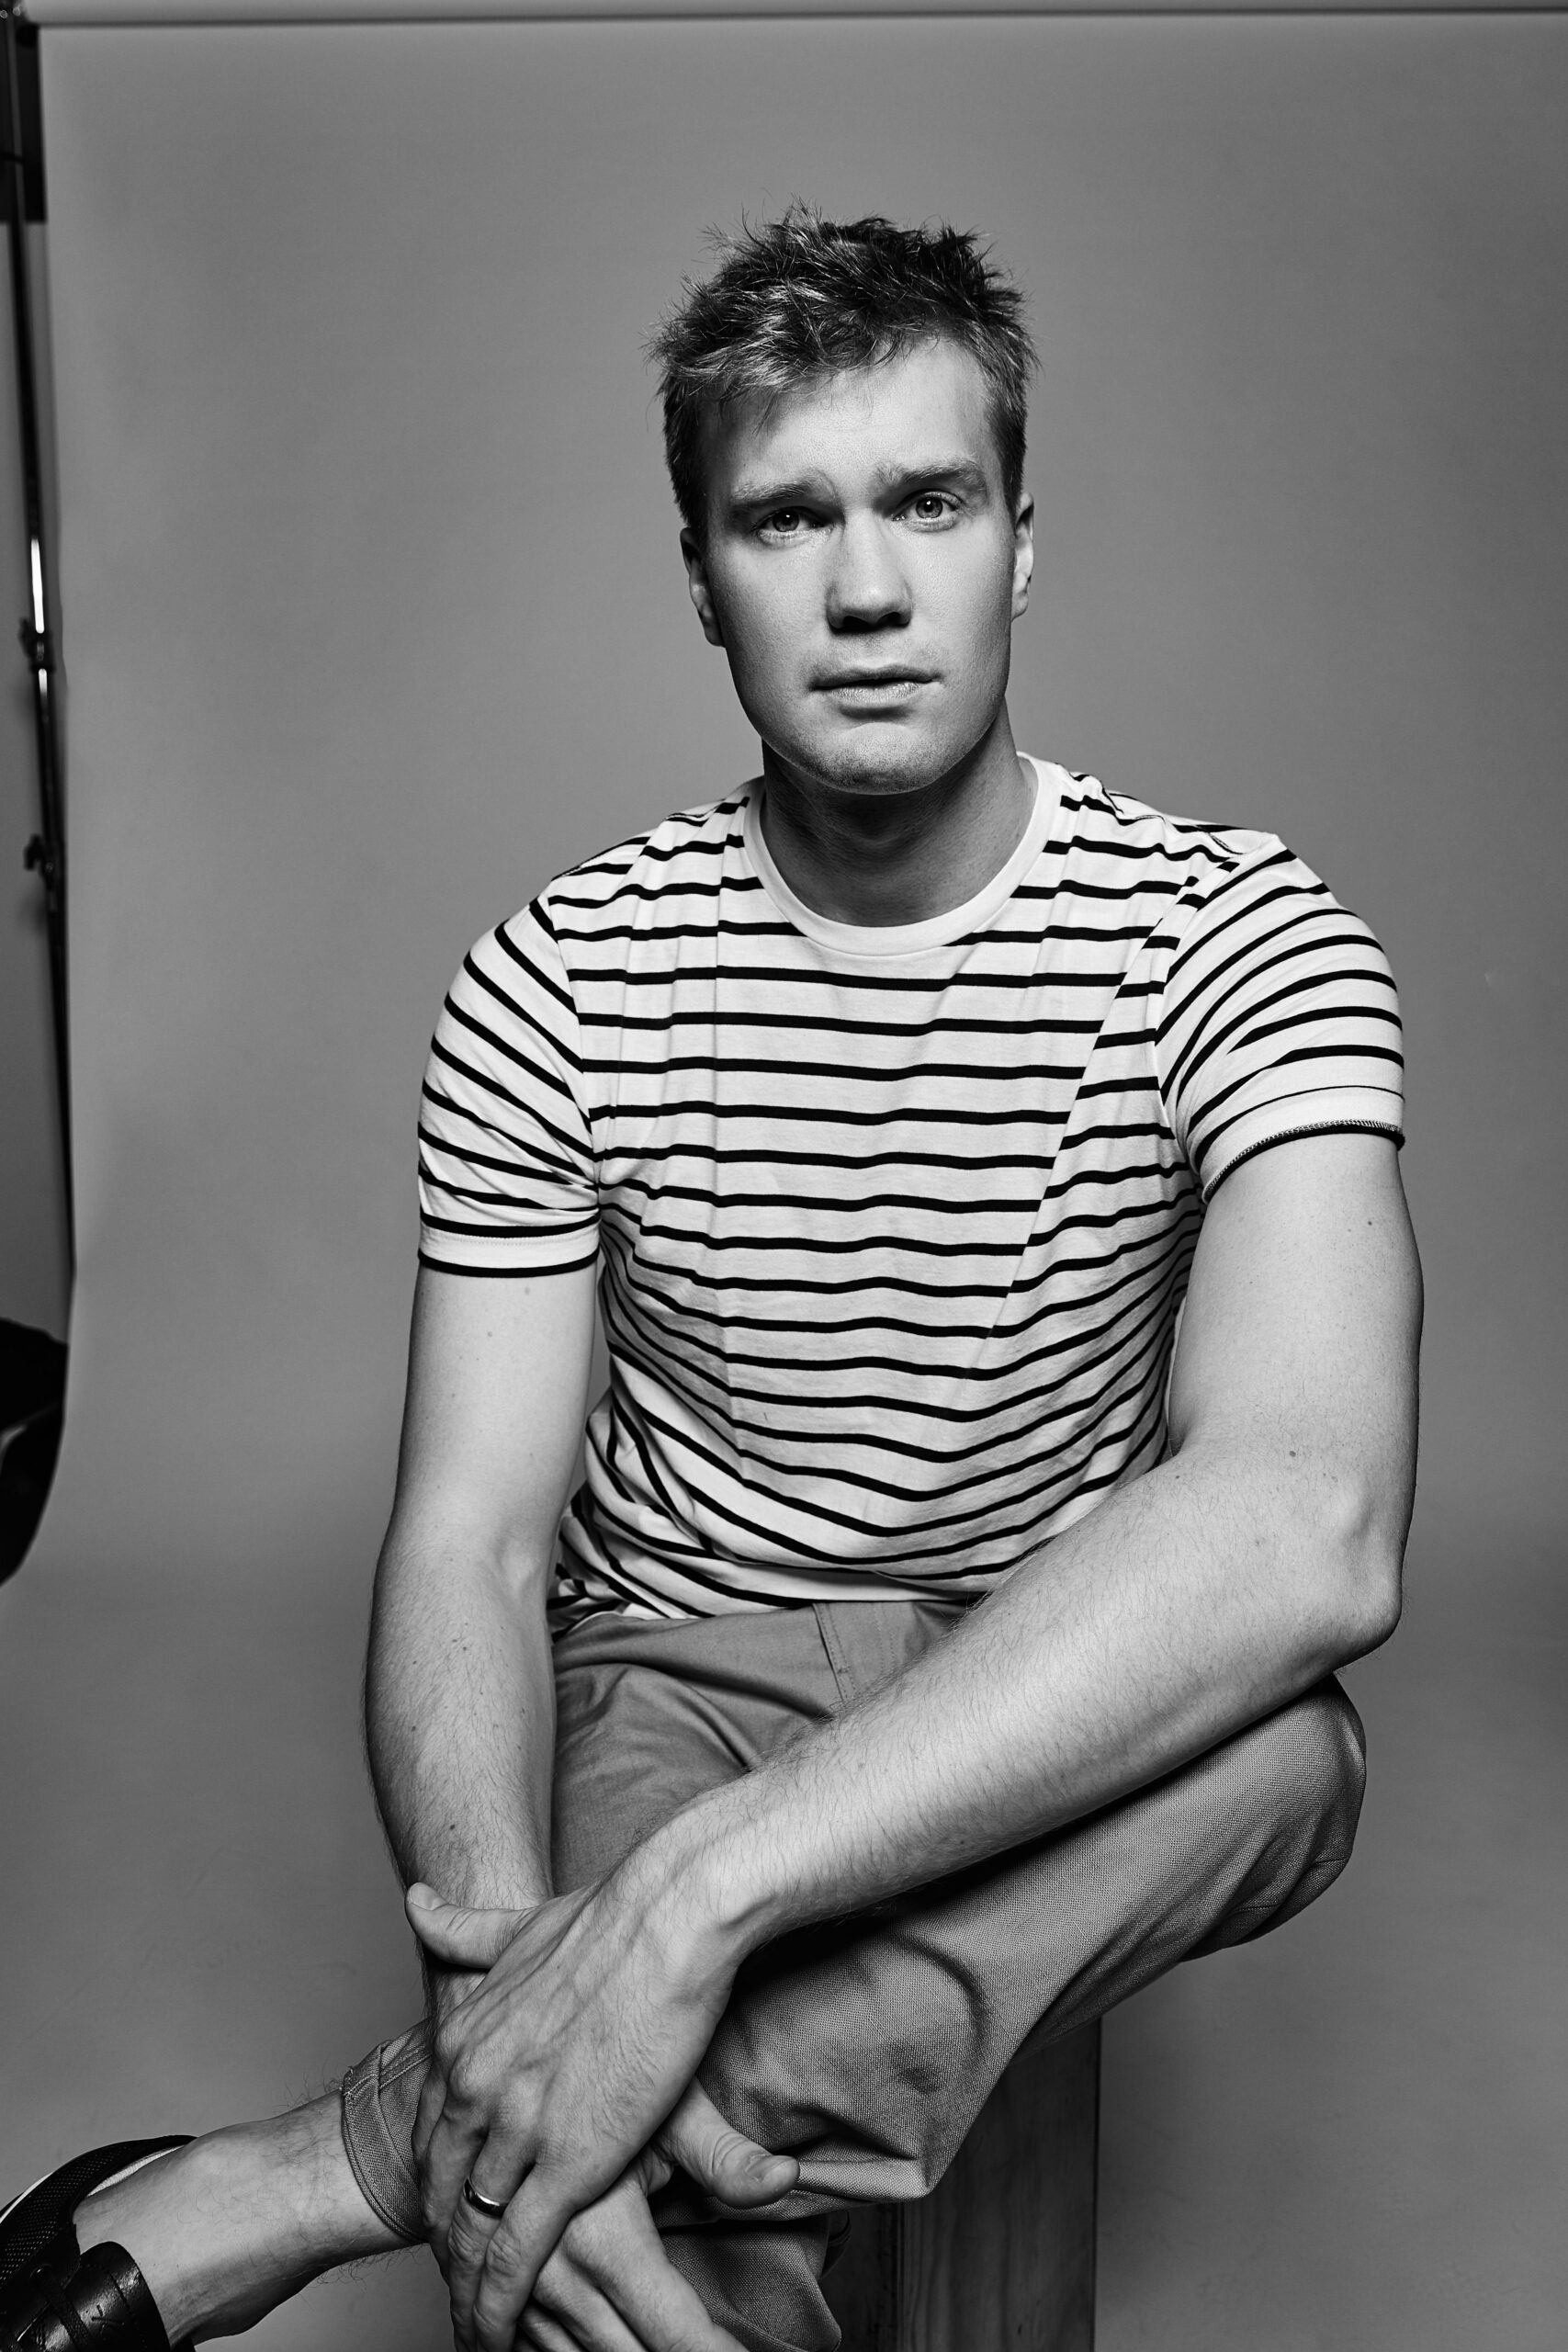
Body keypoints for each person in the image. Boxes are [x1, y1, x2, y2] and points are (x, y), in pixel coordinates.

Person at [0, 209, 1420, 2352]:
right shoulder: (553, 977)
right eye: (783, 517)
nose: (864, 587)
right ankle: (558, 2141)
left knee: (1286, 1755)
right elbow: (472, 1540)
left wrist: (679, 1915)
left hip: (1039, 1663)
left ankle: (337, 2158)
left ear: (1019, 540)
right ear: (698, 572)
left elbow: (1308, 1516)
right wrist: (512, 1974)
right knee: (657, 2295)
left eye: (927, 500)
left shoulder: (1239, 935)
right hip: (673, 1672)